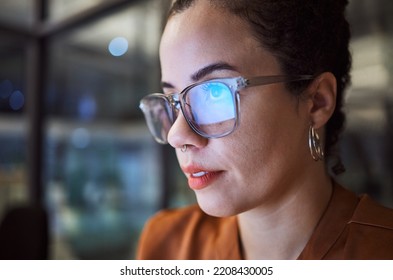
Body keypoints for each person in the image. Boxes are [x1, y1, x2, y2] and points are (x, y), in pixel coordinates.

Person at [137, 0, 393, 259]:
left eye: (214, 94)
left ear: (316, 102)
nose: (177, 135)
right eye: (173, 100)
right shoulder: (168, 245)